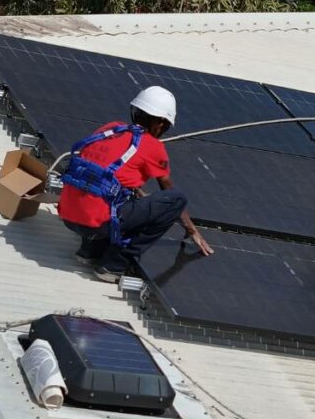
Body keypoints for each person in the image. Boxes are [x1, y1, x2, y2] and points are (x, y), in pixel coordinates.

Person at [57, 86, 213, 283]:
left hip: (68, 215)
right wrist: (192, 230)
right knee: (175, 201)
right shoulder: (153, 147)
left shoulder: (110, 128)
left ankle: (90, 251)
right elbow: (168, 191)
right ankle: (114, 265)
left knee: (110, 191)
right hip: (96, 224)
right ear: (161, 123)